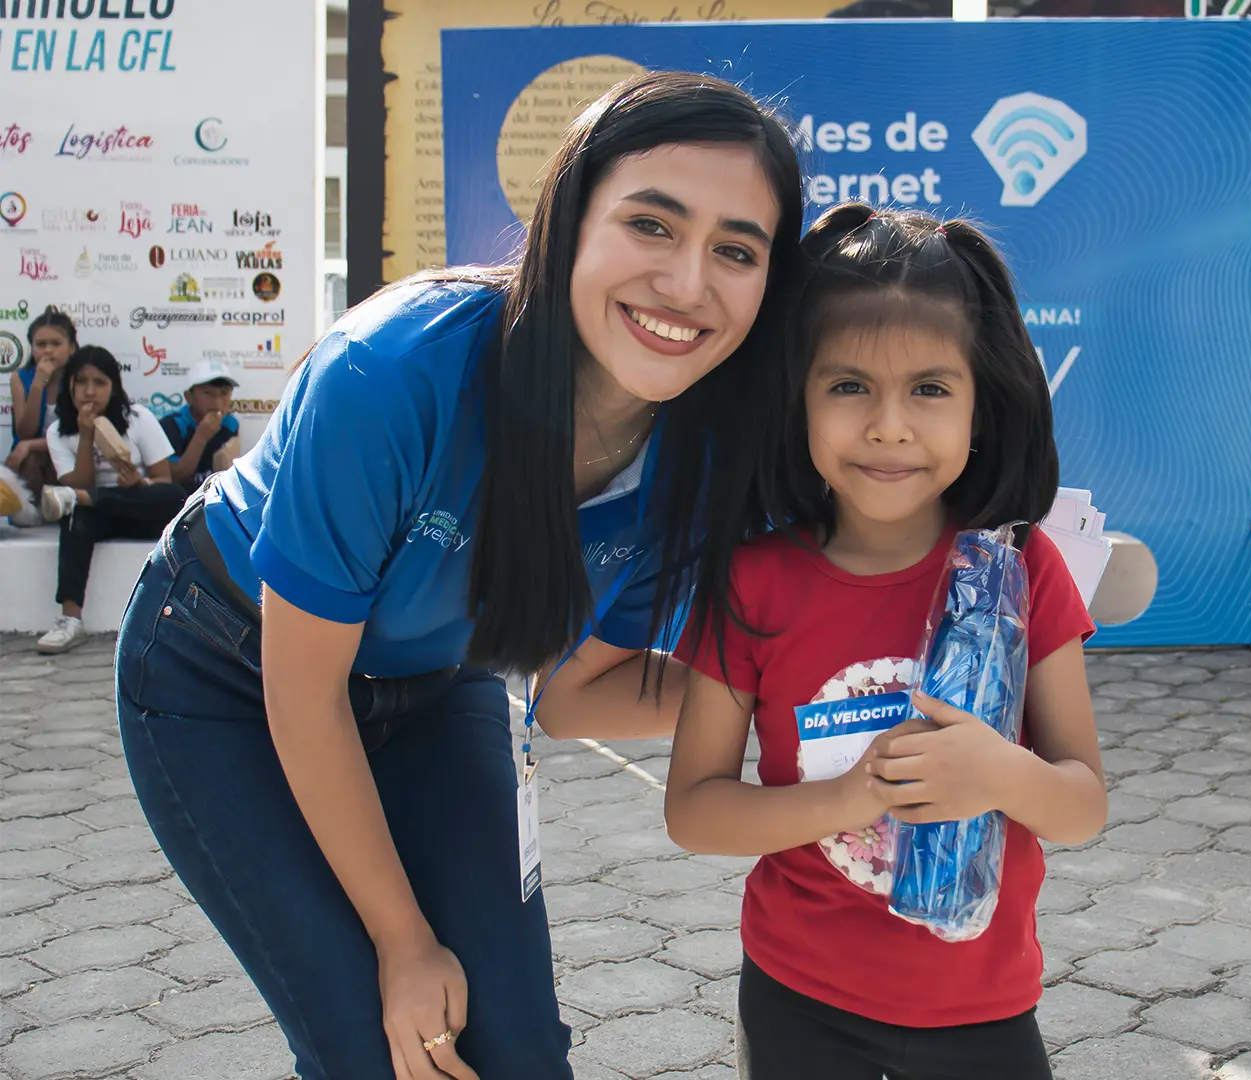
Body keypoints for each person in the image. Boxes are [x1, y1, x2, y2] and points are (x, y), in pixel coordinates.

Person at [116, 71, 803, 1080]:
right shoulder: (394, 371)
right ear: (569, 219)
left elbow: (575, 698)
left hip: (440, 688)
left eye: (736, 250)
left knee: (519, 1051)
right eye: (652, 226)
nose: (689, 283)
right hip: (222, 671)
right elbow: (303, 699)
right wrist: (403, 940)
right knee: (379, 1047)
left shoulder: (702, 459)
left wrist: (786, 690)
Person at [665, 205, 1108, 1080]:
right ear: (797, 397)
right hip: (801, 999)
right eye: (848, 386)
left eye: (931, 390)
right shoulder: (754, 582)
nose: (889, 426)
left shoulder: (1018, 570)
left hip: (985, 1006)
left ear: (985, 403)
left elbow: (1083, 804)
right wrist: (847, 799)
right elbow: (693, 809)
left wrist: (1001, 772)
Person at [36, 346, 188, 653]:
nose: (89, 391)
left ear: (114, 386)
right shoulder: (58, 432)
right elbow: (80, 482)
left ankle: (84, 499)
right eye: (81, 382)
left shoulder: (138, 418)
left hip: (139, 508)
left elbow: (163, 481)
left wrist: (139, 481)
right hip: (95, 516)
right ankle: (70, 620)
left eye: (100, 383)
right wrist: (86, 434)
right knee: (76, 514)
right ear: (70, 386)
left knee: (174, 496)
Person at [2, 305, 78, 526]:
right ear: (32, 347)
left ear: (71, 347)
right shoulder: (20, 378)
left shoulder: (79, 379)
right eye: (41, 344)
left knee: (40, 454)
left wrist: (29, 445)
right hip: (32, 464)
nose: (48, 351)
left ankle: (64, 508)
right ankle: (31, 510)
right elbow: (24, 432)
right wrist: (37, 385)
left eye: (56, 344)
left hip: (67, 454)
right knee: (31, 458)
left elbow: (76, 435)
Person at [159, 359, 242, 494]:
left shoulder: (230, 424)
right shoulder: (172, 425)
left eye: (224, 393)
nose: (217, 401)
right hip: (182, 501)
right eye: (207, 393)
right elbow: (174, 478)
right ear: (188, 397)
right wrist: (201, 437)